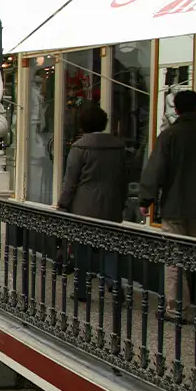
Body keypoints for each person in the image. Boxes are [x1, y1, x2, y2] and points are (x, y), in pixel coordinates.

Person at [139, 90, 196, 306]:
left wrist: (146, 200)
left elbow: (156, 169)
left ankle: (176, 306)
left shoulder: (170, 136)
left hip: (175, 207)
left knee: (174, 259)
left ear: (177, 110)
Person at [56, 105, 126, 301]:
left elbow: (70, 180)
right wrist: (121, 202)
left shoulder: (79, 148)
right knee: (109, 246)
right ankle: (114, 283)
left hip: (84, 206)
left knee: (82, 249)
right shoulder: (118, 147)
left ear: (82, 125)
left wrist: (63, 203)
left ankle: (81, 290)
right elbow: (123, 179)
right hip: (111, 204)